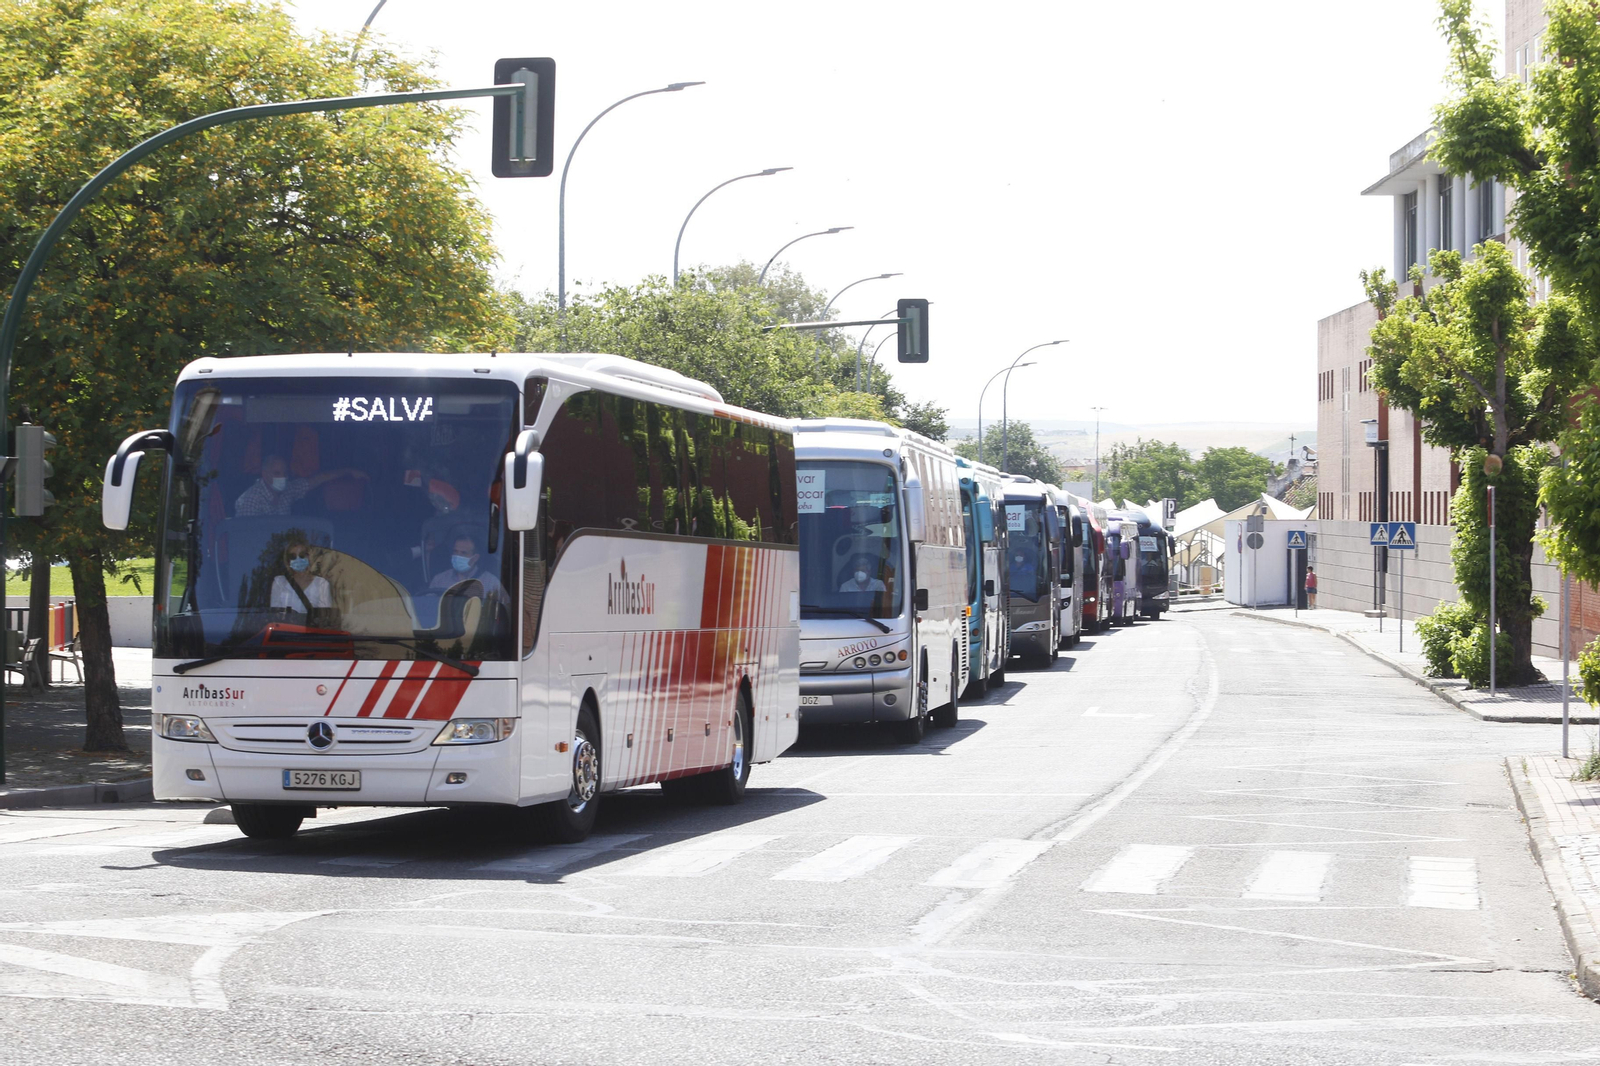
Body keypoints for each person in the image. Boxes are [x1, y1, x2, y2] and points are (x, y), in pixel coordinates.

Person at [236, 454, 367, 517]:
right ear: (264, 474)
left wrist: (348, 471)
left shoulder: (288, 490)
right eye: (277, 473)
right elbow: (245, 537)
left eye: (285, 473)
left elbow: (319, 479)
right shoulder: (251, 500)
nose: (282, 477)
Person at [431, 532, 505, 599]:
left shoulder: (491, 583)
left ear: (475, 558)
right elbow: (428, 605)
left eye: (463, 553)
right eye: (455, 551)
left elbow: (502, 606)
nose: (458, 556)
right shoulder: (439, 580)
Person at [271, 539, 333, 616]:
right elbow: (275, 614)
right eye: (293, 556)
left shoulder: (322, 584)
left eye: (302, 555)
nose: (298, 559)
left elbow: (325, 617)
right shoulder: (279, 583)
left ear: (309, 557)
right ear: (288, 560)